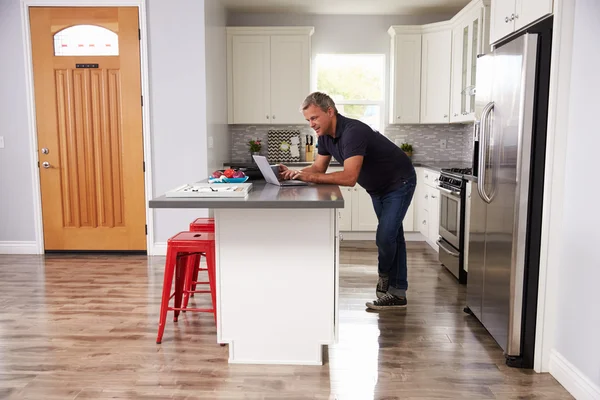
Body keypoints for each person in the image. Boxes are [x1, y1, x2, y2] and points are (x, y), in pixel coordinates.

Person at [279, 92, 417, 310]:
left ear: (330, 111)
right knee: (392, 236)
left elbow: (349, 178)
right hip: (377, 189)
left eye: (314, 118)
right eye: (308, 120)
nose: (311, 124)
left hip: (399, 183)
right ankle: (398, 294)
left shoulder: (353, 132)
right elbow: (318, 168)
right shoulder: (324, 136)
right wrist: (295, 173)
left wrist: (309, 176)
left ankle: (385, 276)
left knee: (386, 236)